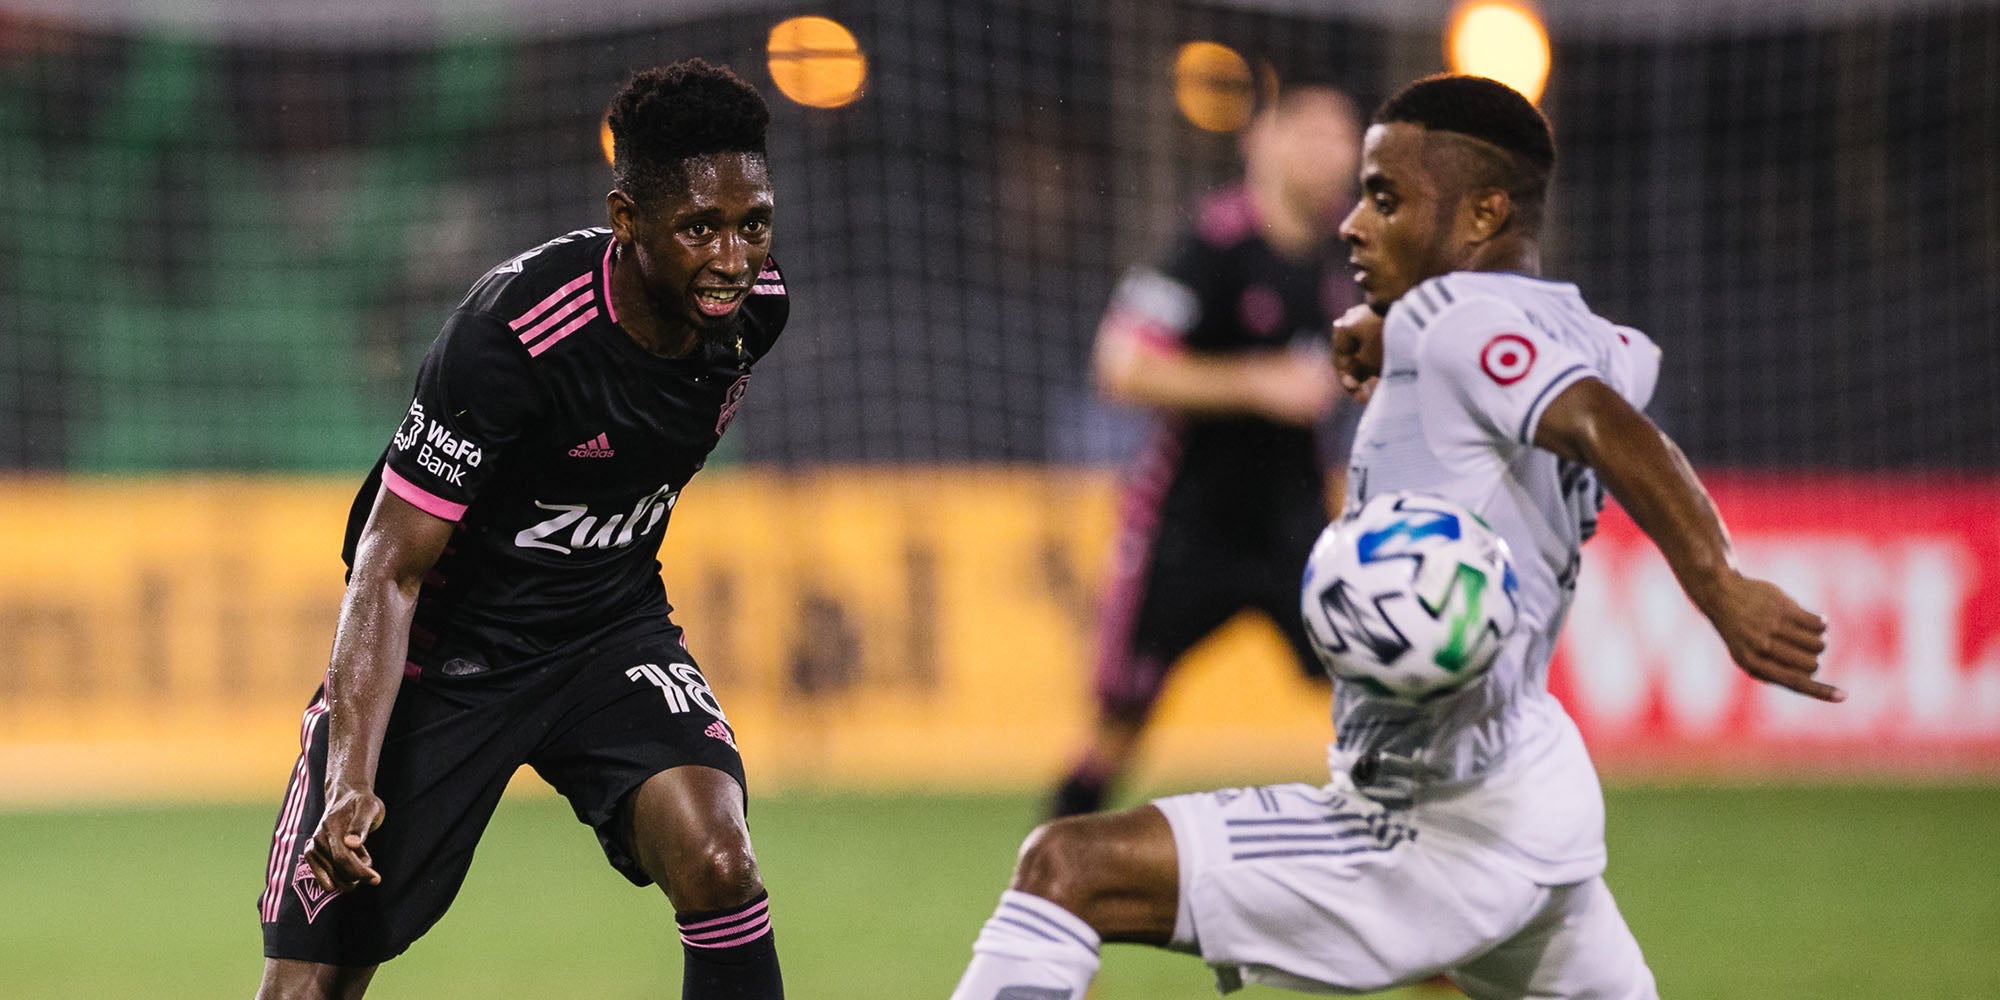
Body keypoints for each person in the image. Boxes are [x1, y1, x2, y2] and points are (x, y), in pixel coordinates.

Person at [949, 74, 1844, 1000]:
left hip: (1431, 822)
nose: (1352, 221)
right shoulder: (1567, 324)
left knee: (1066, 870)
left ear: (1485, 211)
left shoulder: (1464, 327)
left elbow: (1597, 421)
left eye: (1386, 198)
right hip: (1529, 788)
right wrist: (1397, 330)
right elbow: (1603, 368)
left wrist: (1721, 584)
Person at [255, 60, 788, 1000]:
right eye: (700, 227)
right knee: (310, 987)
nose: (735, 257)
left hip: (604, 633)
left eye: (753, 223)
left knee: (720, 861)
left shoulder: (752, 317)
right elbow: (387, 568)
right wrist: (351, 775)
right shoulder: (512, 339)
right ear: (627, 223)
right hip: (451, 657)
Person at [1048, 83, 1363, 819]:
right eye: (1310, 132)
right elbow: (1121, 365)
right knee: (1118, 724)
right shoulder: (1211, 246)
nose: (1329, 153)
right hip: (1188, 527)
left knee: (1378, 692)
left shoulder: (1345, 257)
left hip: (1296, 528)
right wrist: (1258, 382)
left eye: (1342, 137)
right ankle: (1048, 885)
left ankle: (1422, 864)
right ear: (1263, 139)